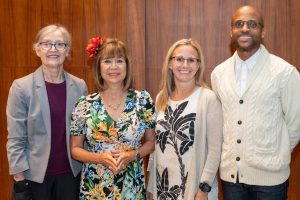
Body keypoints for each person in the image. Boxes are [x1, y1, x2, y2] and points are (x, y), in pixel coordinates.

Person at [211, 5, 300, 200]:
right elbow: (221, 123)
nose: (245, 29)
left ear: (263, 31)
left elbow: (296, 124)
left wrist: (275, 156)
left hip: (271, 182)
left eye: (252, 24)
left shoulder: (285, 73)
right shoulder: (218, 74)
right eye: (239, 24)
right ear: (231, 31)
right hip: (230, 177)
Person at [6, 24, 88, 200]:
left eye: (60, 44)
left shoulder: (80, 86)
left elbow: (84, 133)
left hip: (71, 176)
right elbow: (15, 138)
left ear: (67, 51)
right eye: (47, 44)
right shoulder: (21, 87)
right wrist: (19, 178)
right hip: (34, 179)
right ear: (37, 49)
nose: (53, 49)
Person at [70, 36, 156, 199]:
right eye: (107, 61)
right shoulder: (84, 104)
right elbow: (75, 149)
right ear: (99, 67)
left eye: (119, 61)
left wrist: (133, 155)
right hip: (95, 188)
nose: (114, 67)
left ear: (127, 65)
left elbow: (151, 142)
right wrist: (100, 158)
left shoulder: (143, 100)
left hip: (131, 187)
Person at [147, 38, 223, 200]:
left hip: (195, 189)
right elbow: (156, 146)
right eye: (179, 59)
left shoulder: (208, 98)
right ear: (170, 63)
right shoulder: (162, 97)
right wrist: (151, 186)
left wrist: (204, 188)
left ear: (198, 65)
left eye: (191, 60)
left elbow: (215, 150)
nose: (185, 65)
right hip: (164, 188)